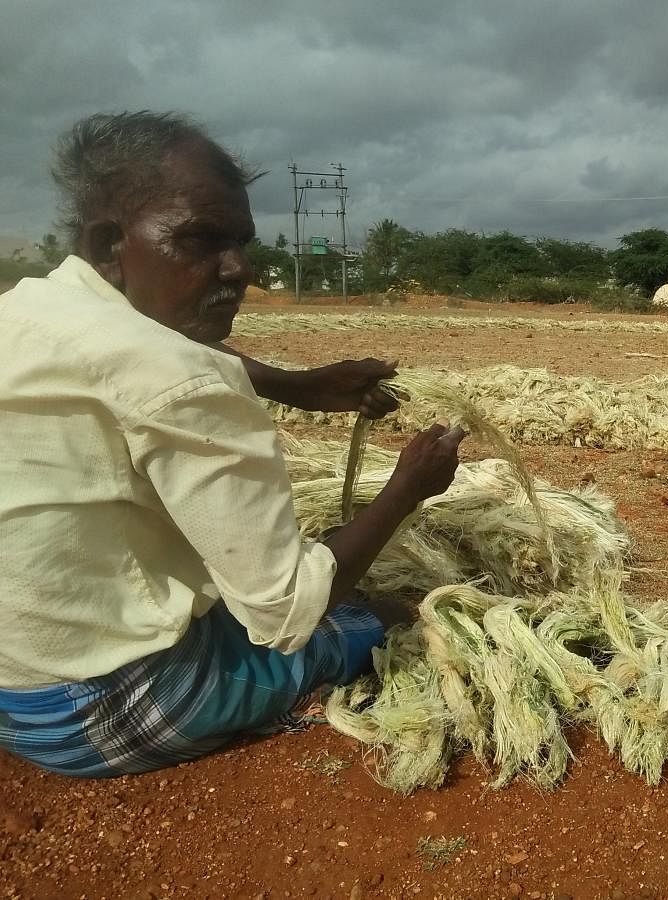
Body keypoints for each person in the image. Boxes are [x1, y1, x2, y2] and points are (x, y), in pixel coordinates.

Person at [0, 111, 464, 777]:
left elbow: (142, 360)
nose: (239, 268)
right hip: (96, 713)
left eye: (242, 242)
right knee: (375, 616)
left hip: (16, 683)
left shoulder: (31, 307)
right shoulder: (182, 378)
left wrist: (299, 387)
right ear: (110, 245)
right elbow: (286, 609)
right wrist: (407, 488)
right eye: (199, 240)